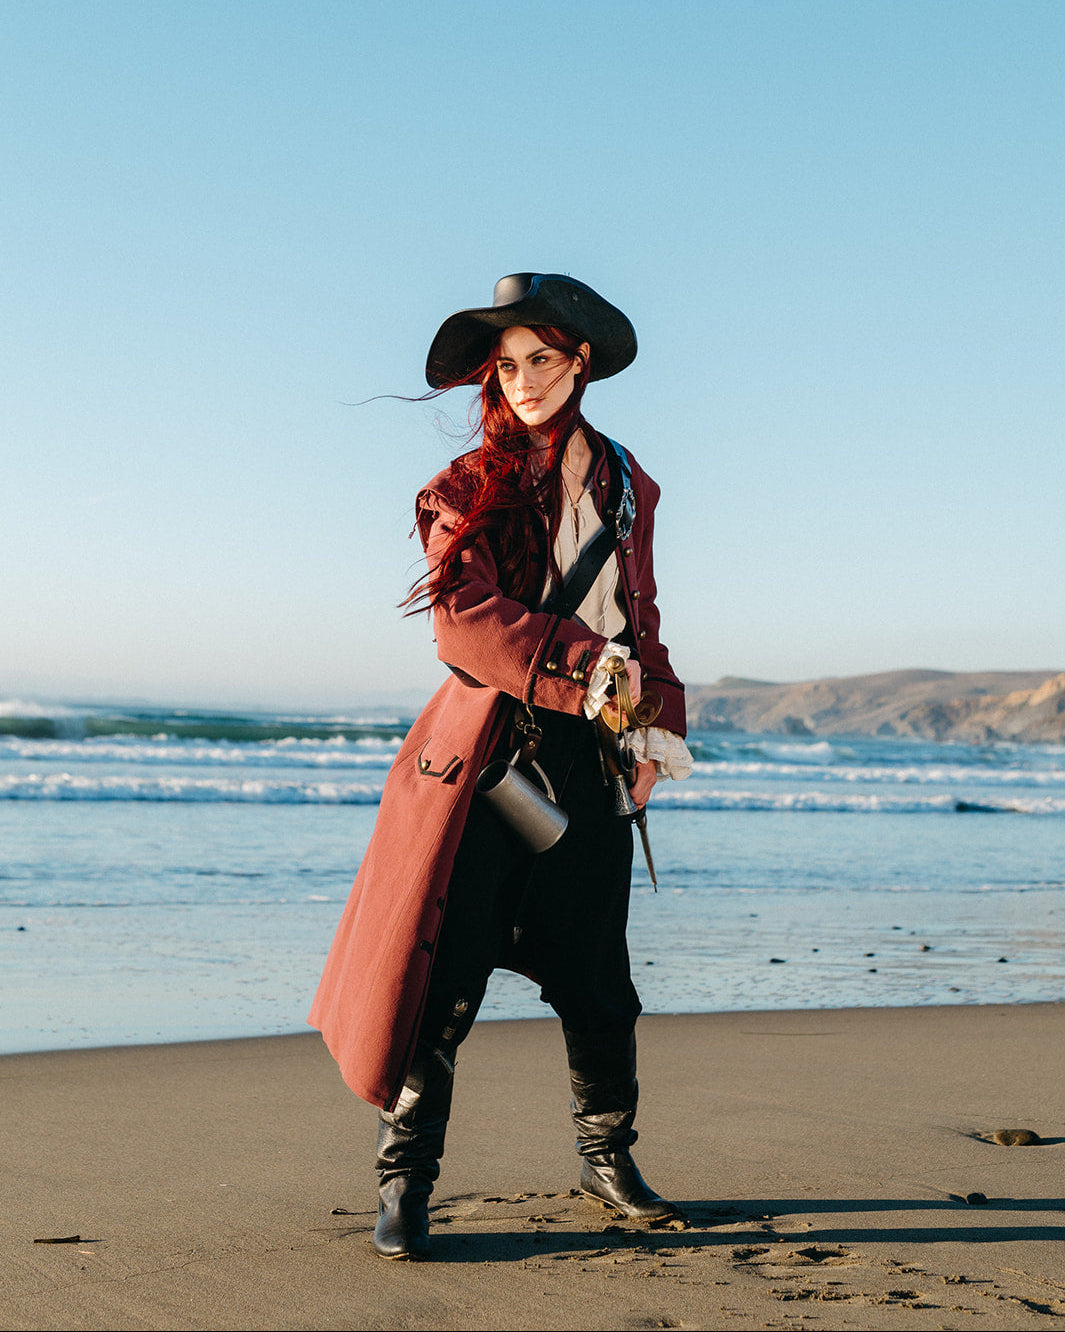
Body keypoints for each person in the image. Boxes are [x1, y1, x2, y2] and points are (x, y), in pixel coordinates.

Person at [309, 272, 693, 1261]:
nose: (519, 379)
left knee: (600, 977)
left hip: (594, 760)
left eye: (538, 358)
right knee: (444, 979)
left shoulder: (625, 481)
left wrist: (654, 725)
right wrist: (591, 670)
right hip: (489, 762)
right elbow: (462, 625)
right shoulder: (461, 490)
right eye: (505, 363)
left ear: (579, 362)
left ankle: (608, 1158)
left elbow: (639, 622)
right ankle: (404, 1183)